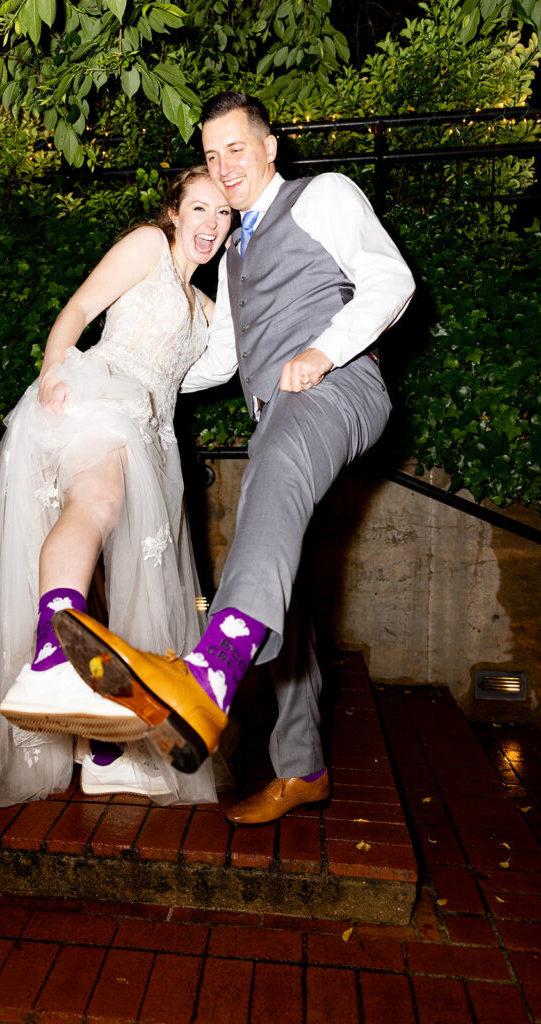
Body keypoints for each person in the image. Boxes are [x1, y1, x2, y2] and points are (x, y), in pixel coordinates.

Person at [52, 91, 415, 823]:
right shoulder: (236, 253)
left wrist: (323, 349)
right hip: (278, 412)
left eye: (236, 149)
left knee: (272, 476)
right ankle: (300, 765)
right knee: (285, 581)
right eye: (212, 155)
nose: (224, 167)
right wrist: (125, 376)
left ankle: (212, 674)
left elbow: (392, 279)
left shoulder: (323, 196)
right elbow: (215, 358)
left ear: (269, 147)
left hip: (336, 387)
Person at [0, 166, 233, 807]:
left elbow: (230, 358)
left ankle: (106, 750)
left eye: (223, 215)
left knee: (141, 593)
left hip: (153, 434)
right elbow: (81, 306)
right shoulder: (147, 247)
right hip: (99, 396)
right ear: (175, 211)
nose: (210, 225)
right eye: (199, 208)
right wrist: (55, 366)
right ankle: (51, 649)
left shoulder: (209, 311)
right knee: (98, 501)